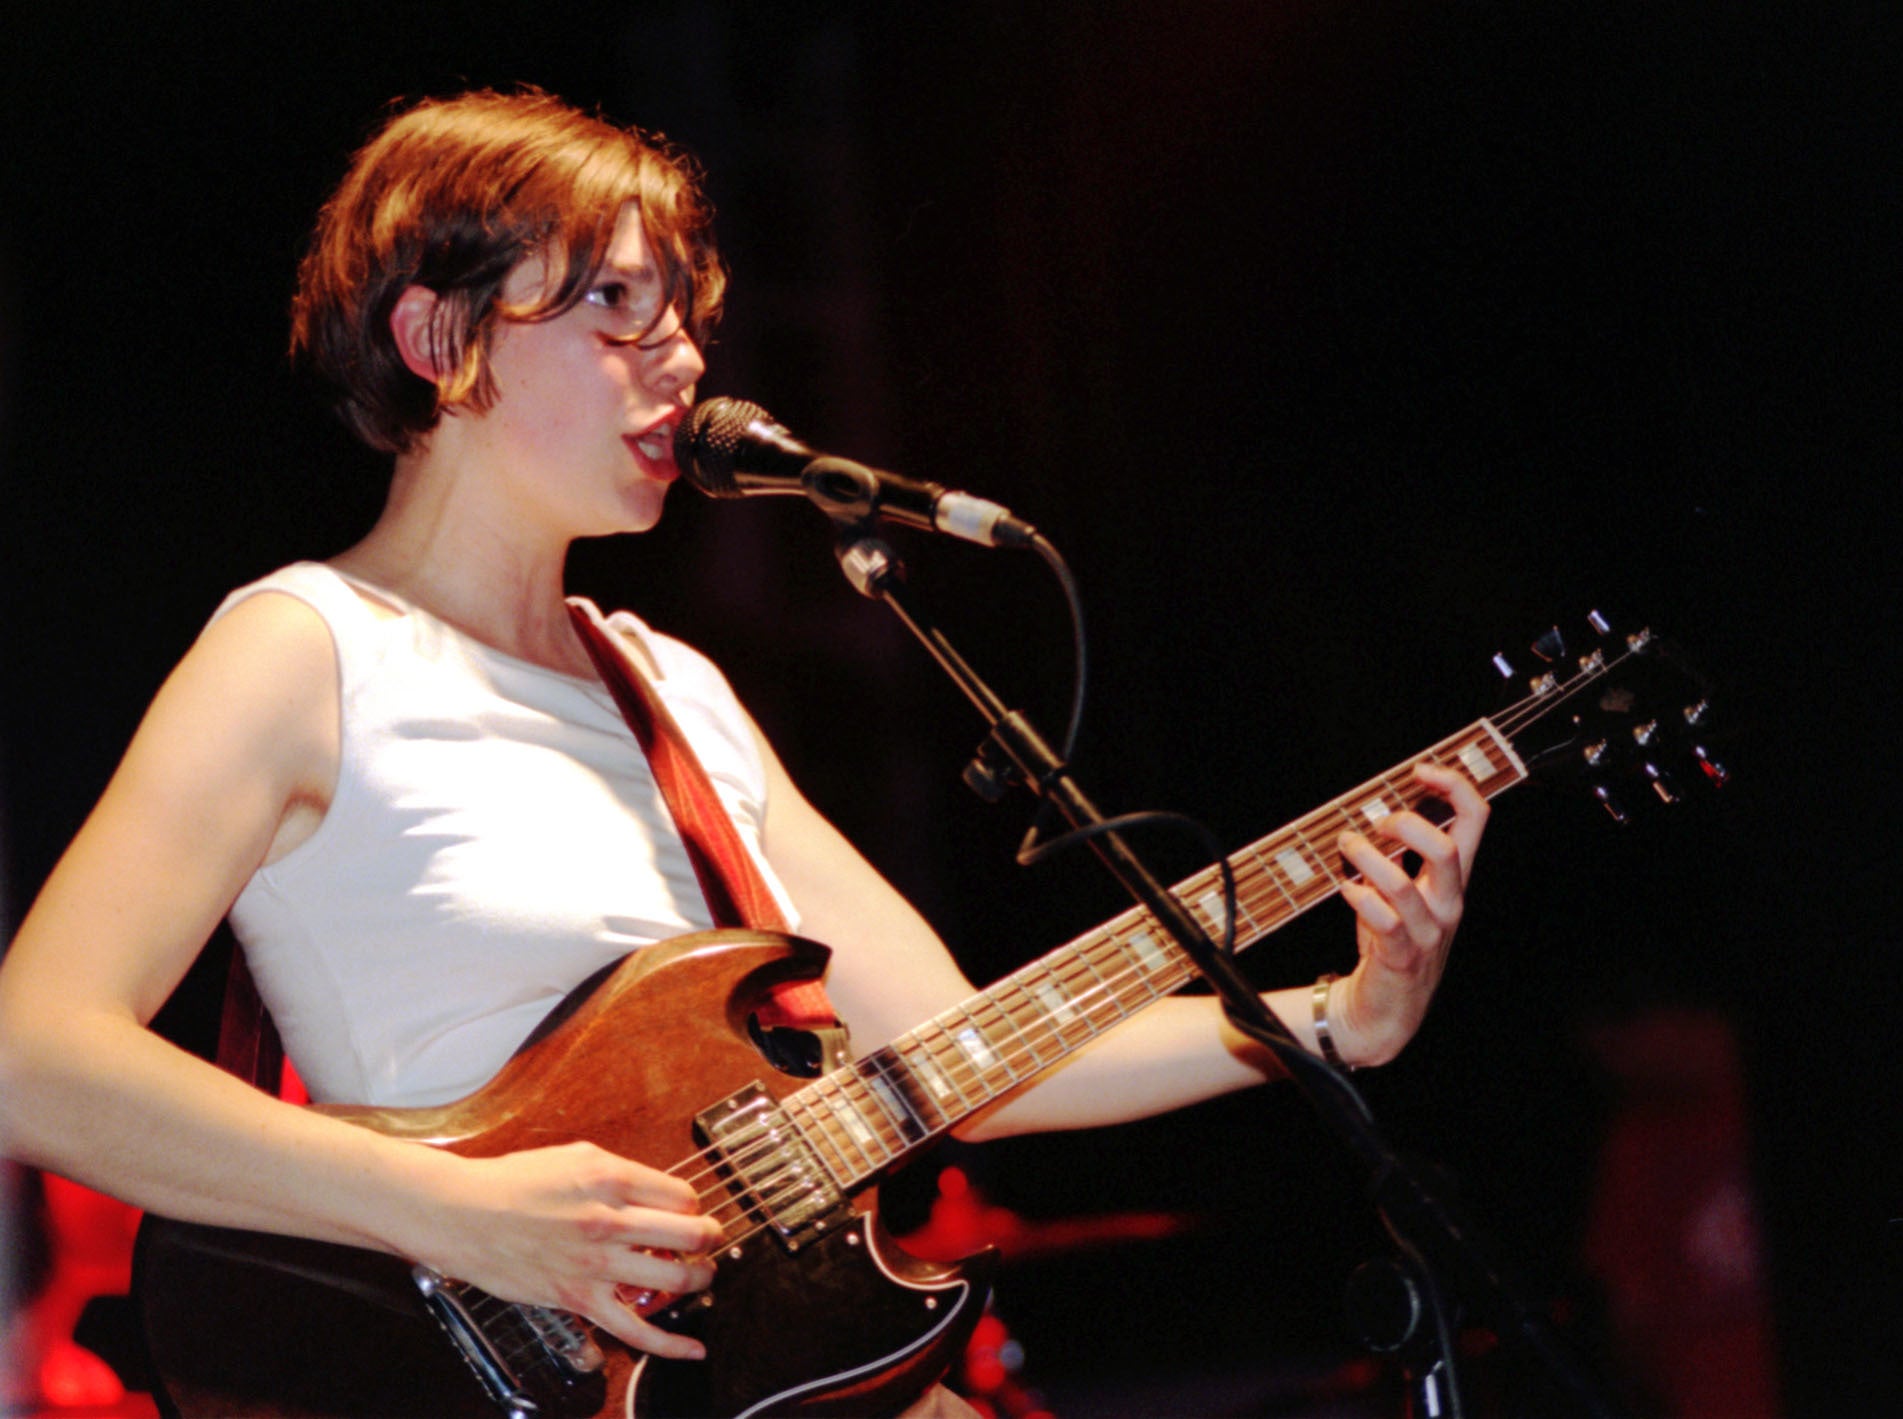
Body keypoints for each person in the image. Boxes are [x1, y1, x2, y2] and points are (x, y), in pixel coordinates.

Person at [0, 89, 1488, 1412]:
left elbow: (959, 1050)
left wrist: (1337, 1016)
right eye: (617, 312)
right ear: (440, 342)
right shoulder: (304, 649)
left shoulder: (670, 688)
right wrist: (456, 1212)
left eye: (685, 312)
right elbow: (32, 1057)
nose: (685, 356)